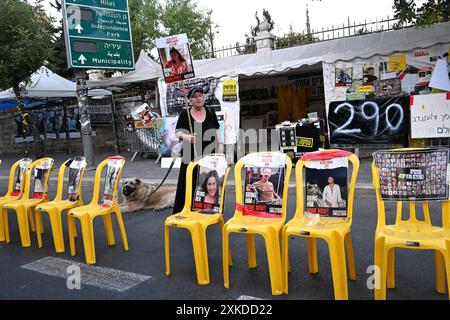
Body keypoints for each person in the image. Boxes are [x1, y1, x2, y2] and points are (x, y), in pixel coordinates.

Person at [172, 85, 224, 214]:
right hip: (190, 154)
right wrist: (186, 136)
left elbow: (217, 130)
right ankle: (186, 208)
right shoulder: (185, 115)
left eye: (200, 96)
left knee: (208, 179)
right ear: (190, 100)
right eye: (195, 97)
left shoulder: (210, 112)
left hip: (210, 152)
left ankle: (208, 206)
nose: (198, 98)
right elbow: (177, 133)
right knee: (189, 180)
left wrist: (221, 146)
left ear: (204, 97)